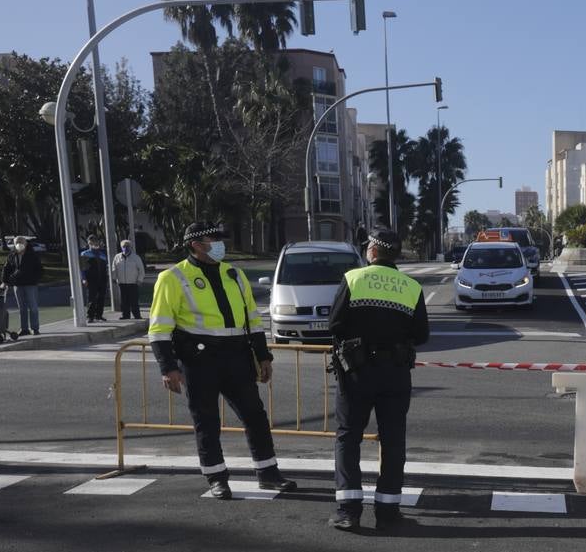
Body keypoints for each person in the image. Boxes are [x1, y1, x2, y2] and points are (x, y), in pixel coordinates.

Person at [148, 221, 296, 499]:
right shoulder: (172, 278)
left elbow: (252, 319)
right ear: (195, 244)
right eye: (213, 239)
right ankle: (216, 478)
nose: (219, 244)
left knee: (255, 416)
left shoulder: (234, 274)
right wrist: (168, 367)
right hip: (198, 360)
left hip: (236, 357)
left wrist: (263, 357)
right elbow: (159, 328)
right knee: (207, 421)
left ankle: (268, 473)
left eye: (219, 239)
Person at [328, 228, 430, 531]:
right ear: (395, 254)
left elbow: (335, 323)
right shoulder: (411, 286)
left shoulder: (353, 279)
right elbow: (422, 335)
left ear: (372, 251)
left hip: (356, 371)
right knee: (393, 441)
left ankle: (348, 511)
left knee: (348, 437)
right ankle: (387, 512)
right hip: (395, 373)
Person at [1, 236, 42, 336]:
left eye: (21, 241)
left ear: (26, 243)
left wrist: (34, 279)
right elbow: (7, 268)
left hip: (30, 284)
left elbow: (39, 269)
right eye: (17, 242)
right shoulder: (12, 255)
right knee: (22, 308)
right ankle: (24, 329)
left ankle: (35, 328)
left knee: (33, 307)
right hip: (18, 285)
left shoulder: (32, 255)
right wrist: (4, 281)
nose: (19, 244)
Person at [111, 239, 145, 320]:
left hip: (133, 283)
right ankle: (125, 315)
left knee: (134, 301)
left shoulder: (136, 257)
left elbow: (141, 270)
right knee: (124, 301)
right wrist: (114, 278)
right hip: (122, 283)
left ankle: (137, 316)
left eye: (127, 246)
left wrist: (140, 280)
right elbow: (114, 268)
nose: (125, 248)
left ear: (130, 247)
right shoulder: (117, 257)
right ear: (121, 247)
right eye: (123, 246)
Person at [81, 235, 109, 322]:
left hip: (102, 279)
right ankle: (90, 316)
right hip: (91, 280)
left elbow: (106, 267)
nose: (94, 243)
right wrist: (84, 278)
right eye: (92, 241)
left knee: (101, 297)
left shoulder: (102, 254)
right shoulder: (85, 254)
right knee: (91, 298)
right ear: (88, 243)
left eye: (95, 241)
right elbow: (82, 268)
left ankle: (99, 315)